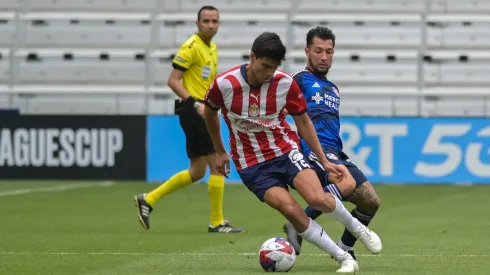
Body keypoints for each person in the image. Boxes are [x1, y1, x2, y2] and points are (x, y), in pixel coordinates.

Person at [203, 31, 382, 273]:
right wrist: (219, 151)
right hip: (252, 165)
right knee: (294, 213)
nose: (268, 73)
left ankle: (359, 229)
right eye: (265, 66)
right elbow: (209, 112)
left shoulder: (284, 83)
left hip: (285, 152)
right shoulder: (225, 83)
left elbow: (304, 122)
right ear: (252, 57)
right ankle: (344, 258)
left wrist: (324, 161)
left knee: (318, 198)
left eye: (273, 67)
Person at [134, 6, 244, 233]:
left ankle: (148, 199)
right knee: (216, 165)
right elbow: (173, 80)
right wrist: (196, 103)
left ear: (219, 24)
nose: (211, 25)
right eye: (206, 21)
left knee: (197, 171)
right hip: (195, 112)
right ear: (197, 23)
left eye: (214, 21)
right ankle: (217, 222)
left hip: (202, 111)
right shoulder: (191, 47)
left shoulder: (211, 47)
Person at [282, 26, 382, 260]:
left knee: (370, 202)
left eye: (329, 51)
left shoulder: (333, 89)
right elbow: (276, 102)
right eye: (318, 51)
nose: (324, 57)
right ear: (307, 51)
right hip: (312, 149)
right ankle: (298, 224)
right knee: (345, 183)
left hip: (335, 151)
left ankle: (346, 246)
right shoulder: (298, 79)